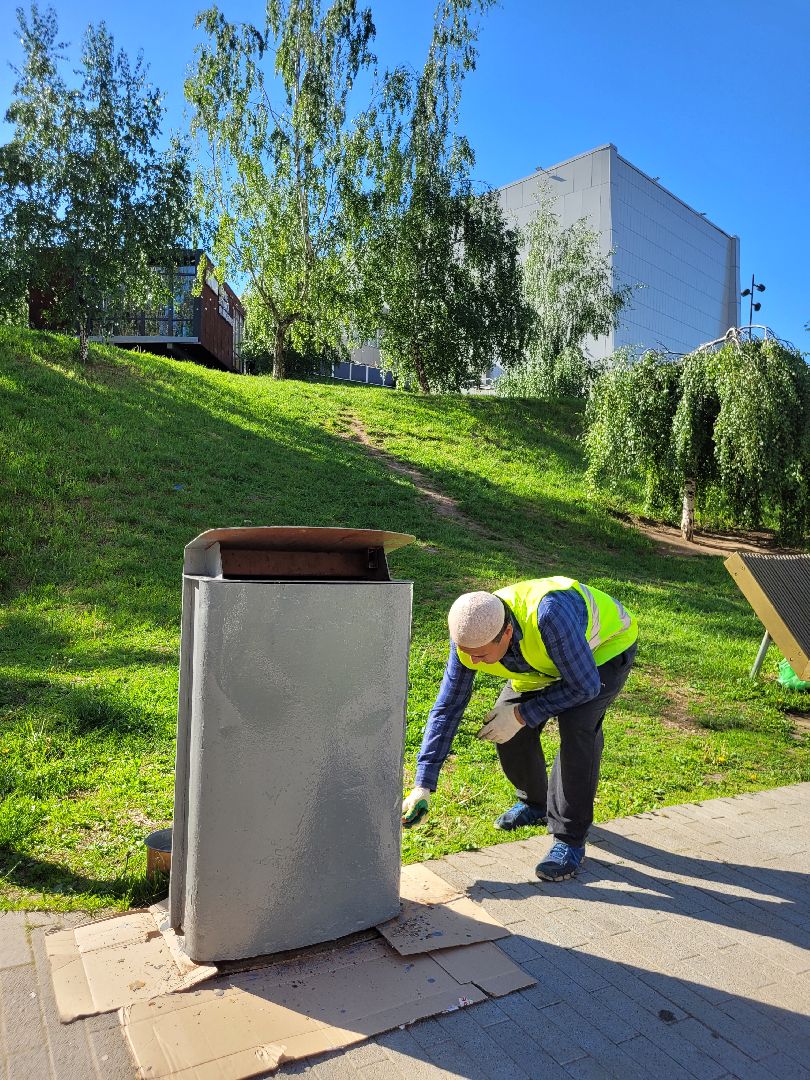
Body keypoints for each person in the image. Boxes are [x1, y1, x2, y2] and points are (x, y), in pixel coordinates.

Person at [401, 576, 638, 881]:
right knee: (503, 727)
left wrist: (522, 715)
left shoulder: (549, 616)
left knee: (577, 728)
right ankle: (535, 803)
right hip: (543, 664)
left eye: (482, 654)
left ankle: (569, 840)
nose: (472, 660)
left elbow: (585, 686)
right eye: (465, 651)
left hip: (602, 650)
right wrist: (424, 784)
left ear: (507, 632)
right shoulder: (471, 634)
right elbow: (448, 708)